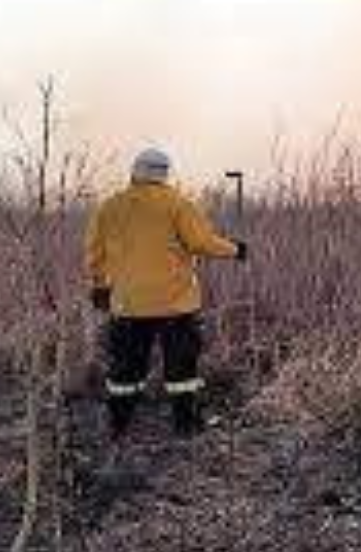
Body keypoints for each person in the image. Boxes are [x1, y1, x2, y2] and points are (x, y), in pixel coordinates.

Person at [86, 148, 248, 439]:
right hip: (176, 305)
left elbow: (95, 253)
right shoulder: (178, 204)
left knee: (126, 368)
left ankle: (119, 426)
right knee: (181, 369)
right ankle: (185, 426)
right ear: (164, 174)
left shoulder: (110, 207)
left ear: (135, 171)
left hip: (128, 304)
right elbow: (202, 242)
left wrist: (99, 286)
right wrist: (236, 249)